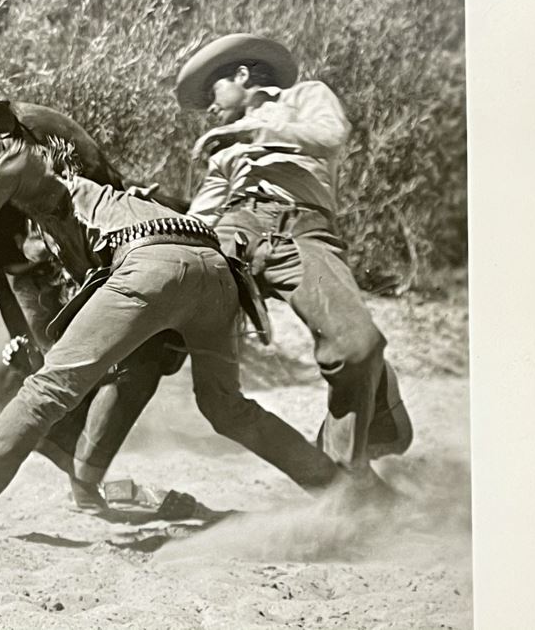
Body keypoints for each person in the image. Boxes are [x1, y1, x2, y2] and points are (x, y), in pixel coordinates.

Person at [0, 141, 346, 546]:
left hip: (153, 265)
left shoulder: (62, 187)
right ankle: (339, 488)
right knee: (225, 405)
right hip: (215, 275)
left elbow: (13, 162)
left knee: (46, 391)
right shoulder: (123, 205)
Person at [176, 33, 413, 474]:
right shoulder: (222, 149)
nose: (210, 108)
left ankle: (345, 471)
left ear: (242, 75)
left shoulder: (305, 96)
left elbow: (331, 135)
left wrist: (248, 129)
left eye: (214, 93)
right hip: (236, 231)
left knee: (358, 346)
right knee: (174, 323)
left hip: (303, 229)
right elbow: (201, 217)